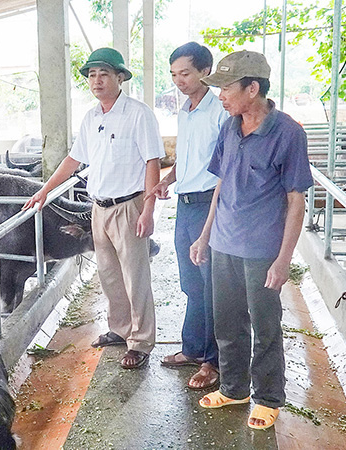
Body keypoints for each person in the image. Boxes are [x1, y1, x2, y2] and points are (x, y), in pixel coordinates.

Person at [190, 50, 313, 430]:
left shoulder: (288, 133)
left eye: (226, 87)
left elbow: (296, 200)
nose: (221, 95)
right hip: (223, 244)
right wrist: (205, 234)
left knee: (265, 326)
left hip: (262, 251)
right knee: (227, 324)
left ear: (252, 88)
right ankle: (234, 387)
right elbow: (221, 184)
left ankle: (269, 397)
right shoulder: (229, 127)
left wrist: (283, 259)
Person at [23, 47, 164, 369]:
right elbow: (74, 160)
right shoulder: (91, 117)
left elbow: (152, 162)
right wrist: (45, 191)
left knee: (135, 276)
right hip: (98, 208)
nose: (97, 80)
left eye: (104, 74)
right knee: (109, 274)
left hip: (129, 205)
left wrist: (148, 210)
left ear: (120, 77)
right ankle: (119, 329)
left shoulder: (138, 114)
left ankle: (141, 342)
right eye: (91, 75)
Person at [147, 42, 229, 390]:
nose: (178, 81)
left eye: (185, 73)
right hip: (185, 203)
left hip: (211, 203)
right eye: (173, 75)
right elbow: (188, 156)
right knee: (190, 284)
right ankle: (193, 348)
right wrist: (169, 178)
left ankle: (213, 361)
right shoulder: (186, 110)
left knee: (212, 285)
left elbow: (227, 167)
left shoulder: (221, 111)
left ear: (205, 71)